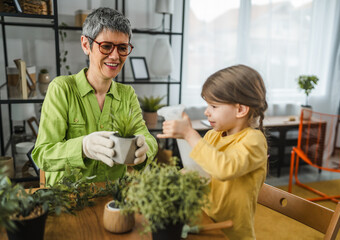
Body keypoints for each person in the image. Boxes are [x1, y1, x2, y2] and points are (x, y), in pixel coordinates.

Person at [32, 7, 157, 186]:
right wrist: (83, 147)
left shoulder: (127, 95)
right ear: (85, 45)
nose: (115, 56)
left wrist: (146, 148)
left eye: (122, 48)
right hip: (67, 199)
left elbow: (146, 138)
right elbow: (43, 155)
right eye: (106, 46)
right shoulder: (62, 89)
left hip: (112, 198)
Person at [157, 64, 268, 240]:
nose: (206, 112)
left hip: (231, 234)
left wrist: (189, 134)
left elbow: (224, 169)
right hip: (203, 221)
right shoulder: (212, 135)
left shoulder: (254, 141)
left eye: (214, 106)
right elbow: (197, 170)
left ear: (240, 109)